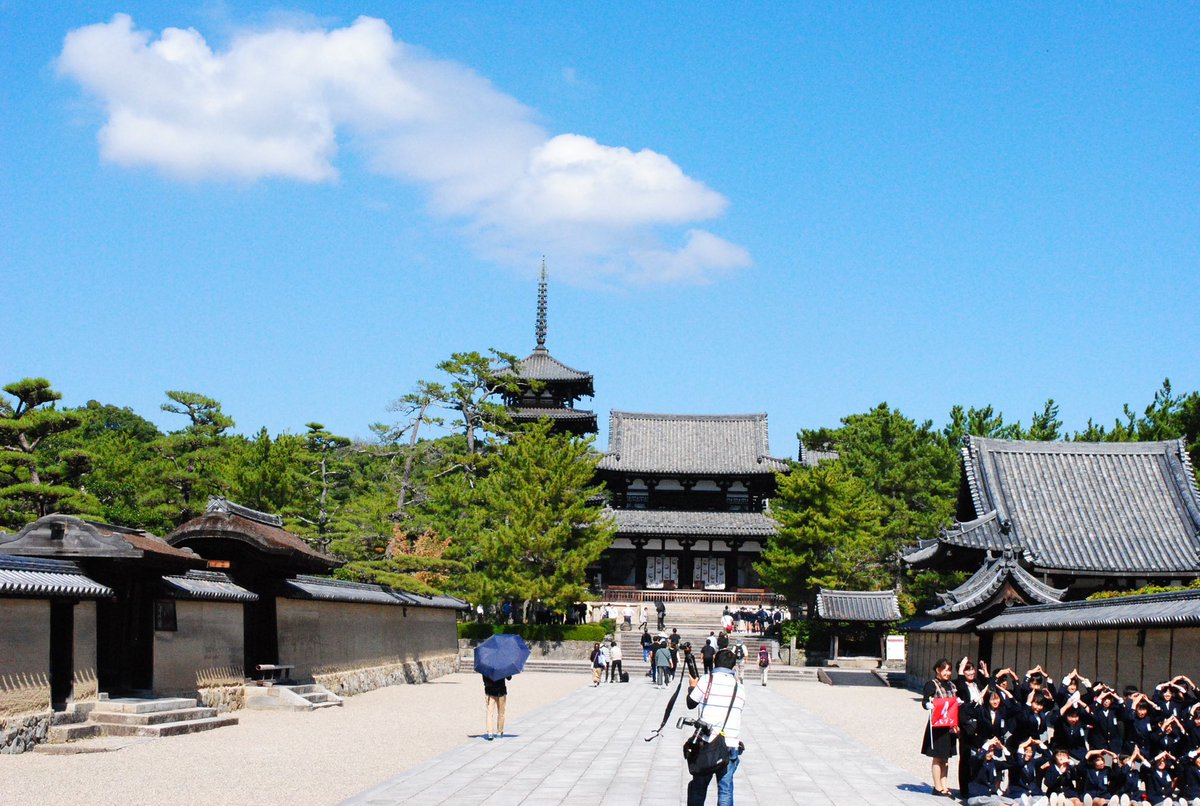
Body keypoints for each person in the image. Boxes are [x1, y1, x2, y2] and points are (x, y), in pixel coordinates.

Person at [686, 648, 745, 806]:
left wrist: (693, 686)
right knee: (725, 789)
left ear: (714, 661)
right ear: (733, 666)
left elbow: (690, 703)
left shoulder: (707, 680)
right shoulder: (739, 686)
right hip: (730, 744)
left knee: (698, 787)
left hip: (707, 743)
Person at [922, 658, 960, 798]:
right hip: (938, 725)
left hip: (949, 725)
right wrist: (928, 705)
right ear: (938, 670)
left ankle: (944, 785)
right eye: (945, 669)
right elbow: (925, 700)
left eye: (949, 670)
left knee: (946, 758)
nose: (947, 672)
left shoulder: (951, 685)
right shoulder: (932, 684)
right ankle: (937, 787)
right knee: (938, 757)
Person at [482, 673, 510, 741]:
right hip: (501, 691)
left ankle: (490, 732)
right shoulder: (502, 667)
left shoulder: (487, 666)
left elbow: (484, 680)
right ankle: (499, 732)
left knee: (489, 713)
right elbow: (509, 678)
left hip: (490, 691)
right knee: (501, 713)